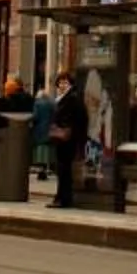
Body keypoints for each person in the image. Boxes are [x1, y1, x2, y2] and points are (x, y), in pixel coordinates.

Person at [47, 76, 90, 209]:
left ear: (71, 84)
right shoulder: (64, 98)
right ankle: (62, 197)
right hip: (64, 138)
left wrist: (64, 126)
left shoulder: (71, 98)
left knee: (64, 169)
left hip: (67, 139)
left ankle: (63, 198)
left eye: (65, 82)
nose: (62, 85)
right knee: (63, 169)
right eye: (60, 83)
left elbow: (78, 117)